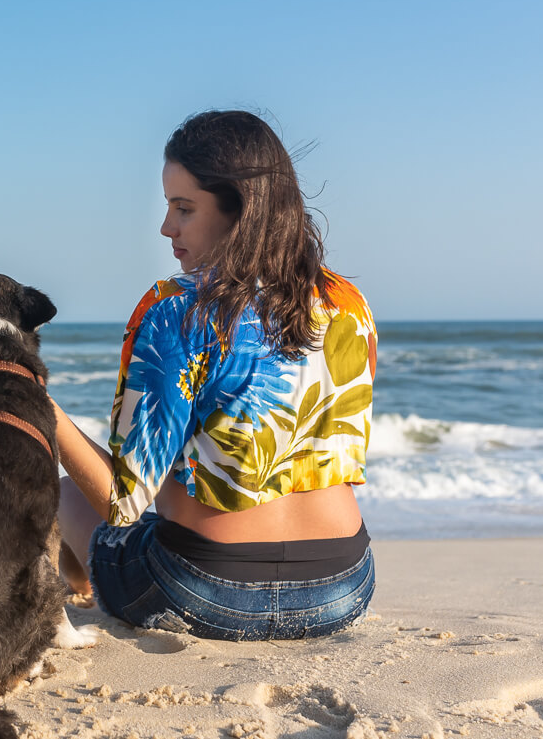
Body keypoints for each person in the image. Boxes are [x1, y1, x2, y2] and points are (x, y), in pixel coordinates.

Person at [53, 110, 377, 641]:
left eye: (184, 209)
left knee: (63, 493)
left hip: (203, 588)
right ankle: (91, 588)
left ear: (240, 212)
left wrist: (43, 411)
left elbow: (124, 501)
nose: (166, 227)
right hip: (344, 585)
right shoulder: (348, 302)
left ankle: (84, 594)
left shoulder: (174, 307)